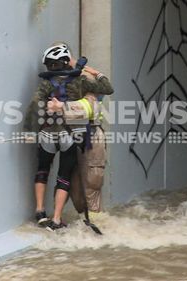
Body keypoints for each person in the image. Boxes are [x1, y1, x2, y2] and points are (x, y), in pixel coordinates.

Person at [24, 43, 113, 231]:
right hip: (70, 135)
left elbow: (34, 105)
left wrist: (30, 132)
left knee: (42, 171)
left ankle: (40, 211)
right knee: (64, 177)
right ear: (67, 61)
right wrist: (90, 70)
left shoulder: (46, 84)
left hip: (47, 133)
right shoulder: (81, 81)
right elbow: (107, 87)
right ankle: (56, 219)